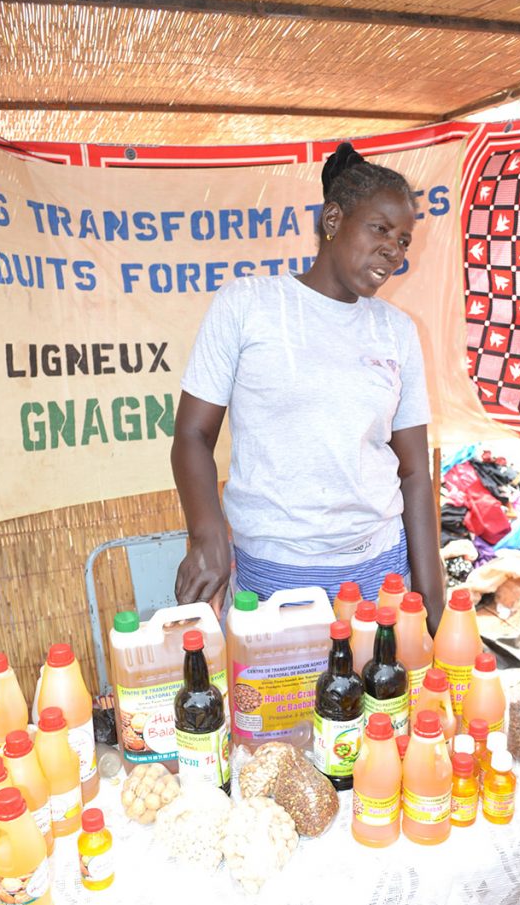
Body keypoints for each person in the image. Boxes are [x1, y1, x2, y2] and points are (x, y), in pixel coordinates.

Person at [171, 142, 444, 634]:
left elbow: (414, 471)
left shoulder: (396, 330)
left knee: (382, 707)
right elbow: (192, 436)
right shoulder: (248, 305)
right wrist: (206, 532)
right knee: (283, 711)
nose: (394, 249)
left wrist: (433, 608)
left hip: (381, 568)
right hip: (277, 571)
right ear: (333, 220)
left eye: (403, 239)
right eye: (380, 229)